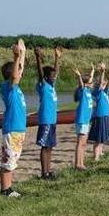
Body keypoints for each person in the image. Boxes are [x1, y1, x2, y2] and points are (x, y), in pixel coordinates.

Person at [0, 39, 26, 197]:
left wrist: (23, 53)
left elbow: (19, 72)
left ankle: (8, 188)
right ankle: (5, 189)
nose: (20, 73)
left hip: (18, 129)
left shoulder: (15, 87)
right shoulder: (8, 87)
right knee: (8, 160)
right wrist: (17, 57)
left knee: (12, 160)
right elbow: (16, 74)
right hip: (12, 130)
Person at [34, 46, 62, 179]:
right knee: (45, 147)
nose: (54, 77)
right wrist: (38, 57)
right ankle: (43, 173)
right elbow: (40, 72)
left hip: (52, 121)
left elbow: (55, 71)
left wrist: (57, 57)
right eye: (51, 76)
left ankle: (48, 171)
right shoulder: (43, 85)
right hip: (45, 120)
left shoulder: (51, 86)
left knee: (50, 146)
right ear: (45, 77)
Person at [89, 63, 109, 160]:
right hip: (99, 117)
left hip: (104, 116)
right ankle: (96, 157)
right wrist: (103, 72)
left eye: (105, 84)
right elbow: (101, 82)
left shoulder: (104, 92)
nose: (104, 85)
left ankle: (100, 152)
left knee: (102, 137)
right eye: (103, 84)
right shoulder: (97, 92)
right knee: (98, 138)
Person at [74, 65, 95, 170]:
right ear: (86, 84)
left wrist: (92, 70)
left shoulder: (88, 92)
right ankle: (77, 164)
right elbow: (82, 85)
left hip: (86, 121)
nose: (93, 84)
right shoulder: (83, 91)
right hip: (82, 120)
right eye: (91, 83)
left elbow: (89, 79)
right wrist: (79, 76)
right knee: (80, 142)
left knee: (84, 143)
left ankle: (81, 163)